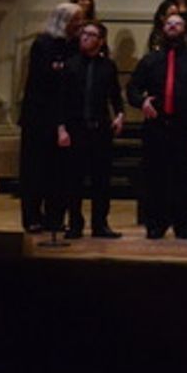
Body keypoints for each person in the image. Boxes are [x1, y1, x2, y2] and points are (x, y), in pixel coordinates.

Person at [126, 13, 187, 240]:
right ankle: (156, 224)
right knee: (155, 178)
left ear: (185, 29)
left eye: (178, 24)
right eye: (169, 24)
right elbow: (132, 89)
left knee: (184, 179)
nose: (173, 27)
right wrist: (142, 101)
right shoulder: (150, 60)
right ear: (162, 28)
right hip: (157, 127)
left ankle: (183, 225)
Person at [19, 2, 84, 233]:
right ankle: (33, 216)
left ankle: (56, 217)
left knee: (60, 172)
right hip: (40, 118)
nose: (80, 24)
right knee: (35, 169)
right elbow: (41, 82)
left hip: (65, 116)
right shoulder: (43, 44)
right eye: (76, 20)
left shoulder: (75, 46)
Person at [57, 21, 124, 238]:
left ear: (100, 41)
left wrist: (120, 116)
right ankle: (75, 223)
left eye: (91, 34)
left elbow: (115, 97)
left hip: (100, 130)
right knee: (73, 180)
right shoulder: (70, 65)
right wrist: (61, 129)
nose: (85, 37)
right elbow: (61, 101)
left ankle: (100, 224)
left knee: (101, 181)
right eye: (83, 33)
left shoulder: (108, 66)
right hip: (76, 129)